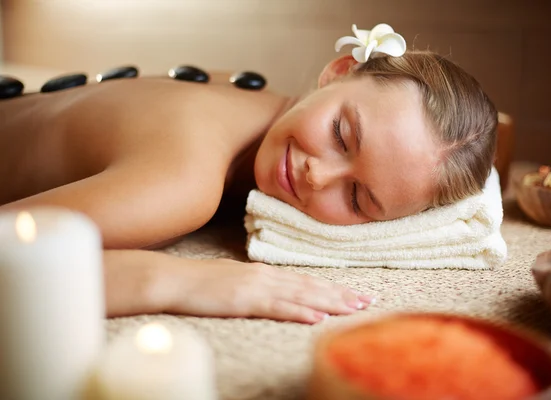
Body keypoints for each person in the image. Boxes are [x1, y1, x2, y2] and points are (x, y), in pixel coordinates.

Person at [0, 24, 497, 324]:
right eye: (343, 135)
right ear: (340, 70)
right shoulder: (184, 181)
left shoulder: (252, 99)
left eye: (359, 200)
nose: (318, 175)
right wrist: (175, 281)